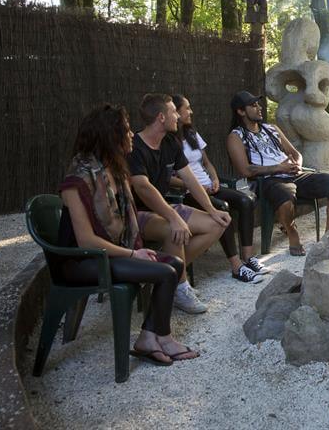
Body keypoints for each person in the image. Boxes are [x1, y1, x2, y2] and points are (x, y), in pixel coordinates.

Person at [57, 104, 198, 365]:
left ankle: (148, 337)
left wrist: (134, 251)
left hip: (108, 254)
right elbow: (87, 241)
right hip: (81, 261)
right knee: (165, 272)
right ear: (110, 135)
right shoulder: (77, 179)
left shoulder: (114, 170)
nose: (132, 134)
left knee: (175, 263)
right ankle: (163, 337)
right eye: (126, 130)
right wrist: (134, 253)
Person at [128, 94, 230, 314]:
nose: (179, 116)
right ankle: (180, 289)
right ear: (161, 117)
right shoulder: (134, 146)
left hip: (164, 208)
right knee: (172, 230)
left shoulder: (170, 143)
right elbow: (143, 188)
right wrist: (174, 218)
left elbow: (189, 179)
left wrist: (212, 210)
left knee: (217, 224)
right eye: (174, 111)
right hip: (136, 214)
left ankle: (166, 277)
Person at [226, 90, 329, 256]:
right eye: (253, 105)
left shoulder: (272, 129)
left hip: (294, 174)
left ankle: (328, 238)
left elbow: (295, 153)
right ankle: (292, 233)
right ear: (241, 111)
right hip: (268, 180)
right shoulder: (236, 137)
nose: (259, 108)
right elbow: (245, 170)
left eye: (258, 104)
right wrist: (279, 168)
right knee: (285, 200)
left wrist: (296, 165)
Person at [170, 95, 266, 284]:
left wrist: (214, 179)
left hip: (209, 187)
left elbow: (207, 163)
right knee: (222, 208)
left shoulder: (191, 133)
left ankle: (248, 257)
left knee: (246, 201)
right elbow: (168, 178)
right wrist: (196, 186)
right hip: (188, 193)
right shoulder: (169, 142)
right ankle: (236, 266)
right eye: (186, 108)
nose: (191, 112)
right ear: (176, 112)